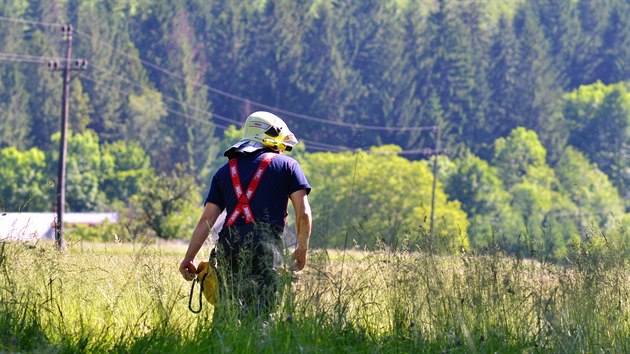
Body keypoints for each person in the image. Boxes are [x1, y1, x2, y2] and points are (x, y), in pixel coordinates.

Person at [179, 111, 312, 320]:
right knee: (262, 314)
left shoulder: (223, 172)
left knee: (225, 312)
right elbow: (303, 213)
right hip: (266, 248)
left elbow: (206, 221)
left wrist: (189, 258)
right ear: (270, 138)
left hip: (228, 245)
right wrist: (301, 250)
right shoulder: (288, 166)